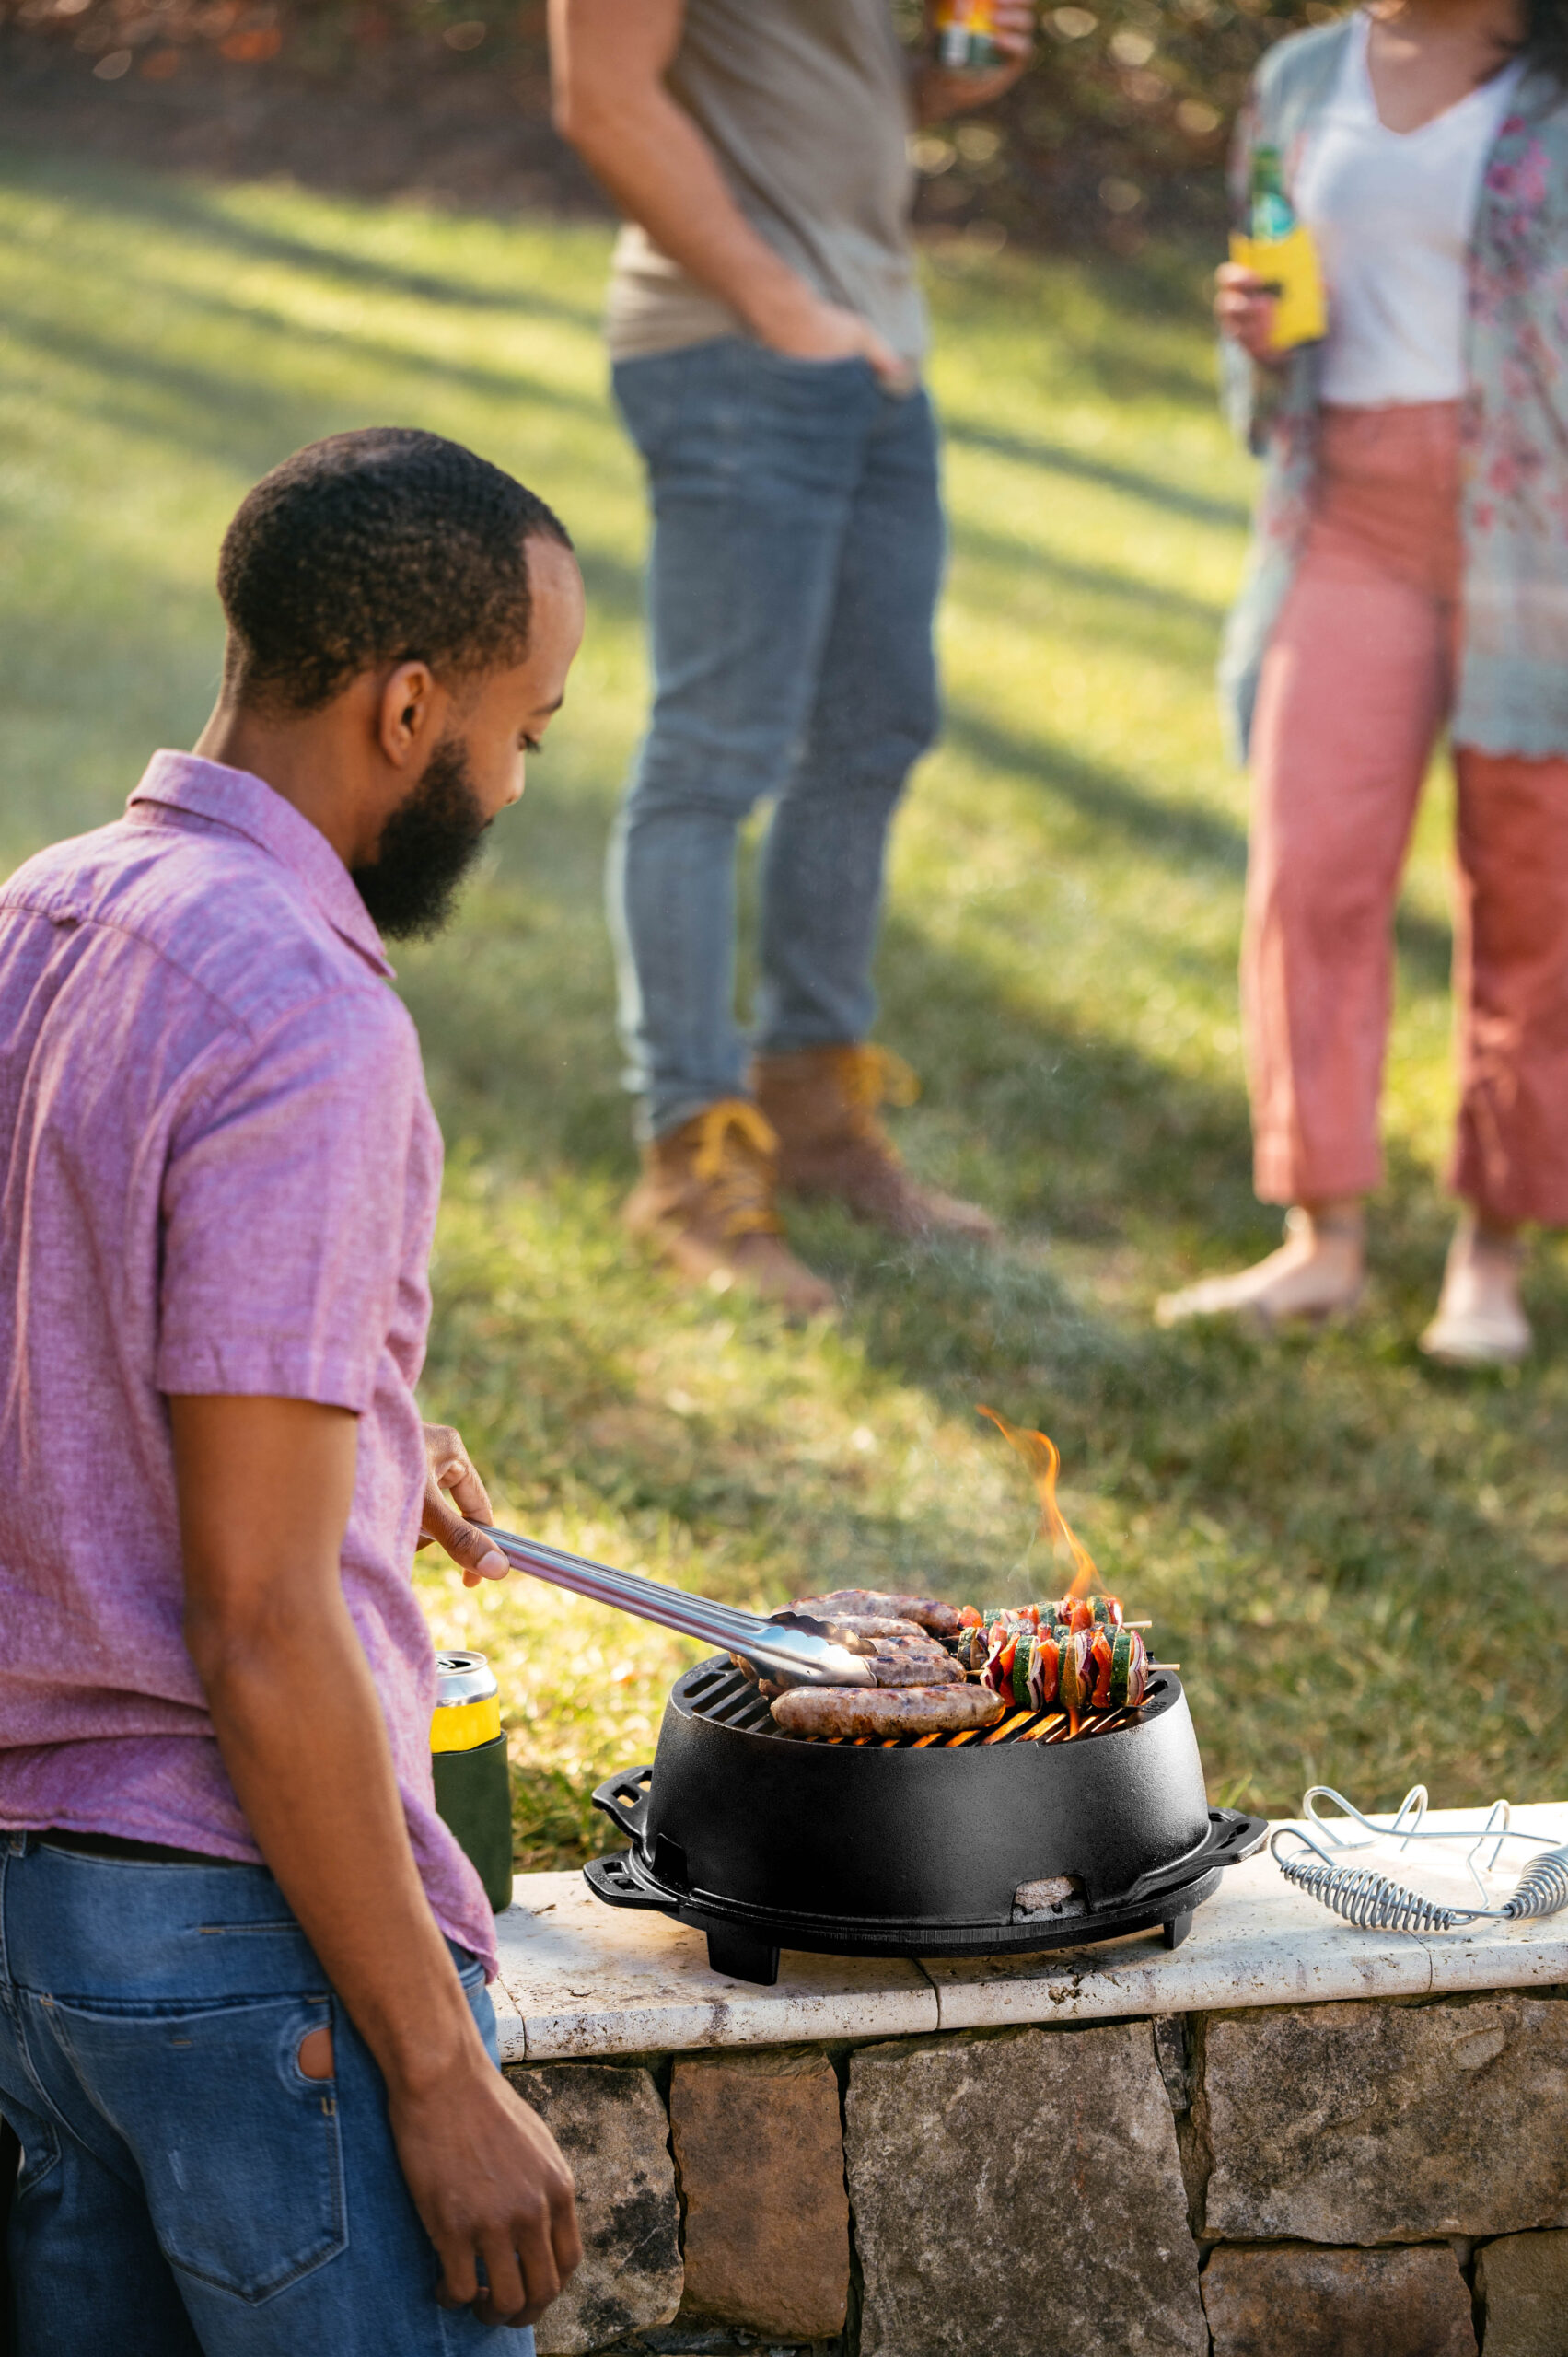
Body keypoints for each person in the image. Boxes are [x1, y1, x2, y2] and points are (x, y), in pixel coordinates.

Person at [0, 429, 587, 2354]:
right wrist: (435, 2067)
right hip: (248, 1961)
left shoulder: (42, 918)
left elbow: (63, 1352)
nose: (510, 780)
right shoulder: (309, 1018)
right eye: (522, 729)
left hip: (33, 1953)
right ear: (408, 704)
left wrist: (351, 1442)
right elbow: (258, 1619)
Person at [550, 0, 1033, 1315]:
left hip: (876, 346)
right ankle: (692, 1158)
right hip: (737, 347)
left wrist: (936, 88)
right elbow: (602, 95)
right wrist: (779, 304)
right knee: (715, 757)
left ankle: (815, 1116)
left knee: (875, 733)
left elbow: (795, 85)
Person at [1157, 0, 1568, 1365]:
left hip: (1541, 532)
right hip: (1342, 513)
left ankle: (1491, 1253)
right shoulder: (1302, 77)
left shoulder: (1552, 77)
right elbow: (1265, 315)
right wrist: (1254, 336)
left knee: (1532, 891)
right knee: (1311, 869)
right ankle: (1321, 1239)